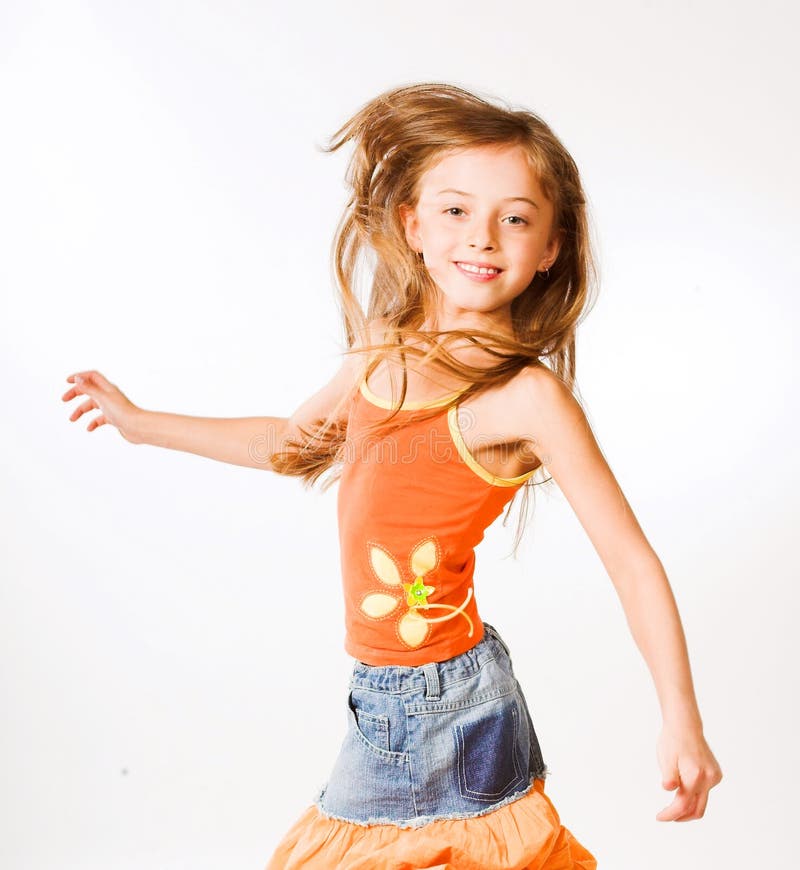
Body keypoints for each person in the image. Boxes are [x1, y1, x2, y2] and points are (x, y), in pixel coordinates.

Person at [62, 82, 723, 869]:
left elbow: (631, 562)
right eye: (455, 211)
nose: (482, 237)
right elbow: (289, 443)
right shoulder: (383, 346)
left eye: (514, 218)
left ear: (550, 246)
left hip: (446, 700)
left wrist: (681, 719)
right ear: (412, 224)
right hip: (393, 695)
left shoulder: (528, 398)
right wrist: (143, 425)